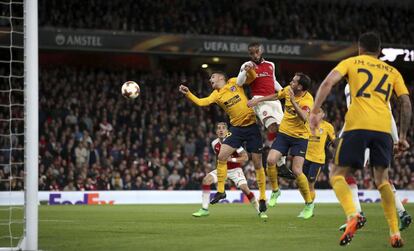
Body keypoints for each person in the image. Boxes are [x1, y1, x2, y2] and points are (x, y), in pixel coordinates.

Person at [309, 32, 412, 247]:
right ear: (380, 50)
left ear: (359, 48)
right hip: (384, 128)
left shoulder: (351, 62)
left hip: (357, 126)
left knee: (337, 174)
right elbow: (405, 103)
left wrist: (314, 111)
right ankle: (394, 232)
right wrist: (401, 136)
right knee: (382, 180)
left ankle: (353, 214)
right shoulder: (393, 71)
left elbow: (327, 83)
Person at [179, 71, 268, 217]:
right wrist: (188, 93)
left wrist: (249, 69)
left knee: (258, 164)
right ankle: (221, 191)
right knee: (221, 157)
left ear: (221, 77)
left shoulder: (234, 82)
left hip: (252, 126)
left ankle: (263, 197)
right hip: (236, 129)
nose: (210, 79)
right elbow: (202, 102)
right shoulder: (215, 94)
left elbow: (252, 78)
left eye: (212, 77)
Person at [338, 84, 412, 232]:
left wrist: (341, 136)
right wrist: (396, 140)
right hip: (382, 134)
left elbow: (353, 113)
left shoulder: (351, 85)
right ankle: (403, 214)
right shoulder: (381, 86)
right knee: (382, 178)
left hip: (362, 133)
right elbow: (389, 115)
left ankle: (357, 215)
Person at [248, 72, 315, 219]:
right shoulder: (288, 90)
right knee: (271, 161)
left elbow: (304, 117)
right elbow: (274, 96)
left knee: (297, 170)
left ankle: (309, 204)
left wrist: (293, 101)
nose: (291, 82)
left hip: (300, 137)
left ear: (301, 86)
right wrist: (257, 101)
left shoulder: (308, 100)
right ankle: (275, 191)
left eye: (294, 81)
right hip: (284, 134)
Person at [237, 42, 286, 206]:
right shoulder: (246, 65)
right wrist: (245, 70)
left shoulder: (271, 65)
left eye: (256, 52)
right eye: (251, 53)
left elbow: (274, 82)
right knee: (272, 127)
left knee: (285, 130)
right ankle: (279, 162)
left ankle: (281, 162)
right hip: (259, 101)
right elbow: (239, 83)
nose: (254, 55)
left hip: (274, 100)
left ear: (261, 51)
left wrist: (284, 92)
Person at [192, 122, 264, 218]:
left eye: (223, 128)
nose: (221, 130)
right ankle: (204, 209)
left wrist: (232, 159)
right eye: (218, 128)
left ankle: (260, 211)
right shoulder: (214, 143)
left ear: (227, 131)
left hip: (235, 170)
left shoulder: (234, 142)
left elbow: (245, 157)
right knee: (206, 180)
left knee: (245, 189)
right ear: (216, 132)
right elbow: (218, 158)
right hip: (222, 169)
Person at [298, 108, 335, 218]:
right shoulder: (307, 123)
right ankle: (308, 205)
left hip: (317, 159)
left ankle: (308, 207)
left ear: (323, 114)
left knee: (310, 184)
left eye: (318, 113)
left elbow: (334, 141)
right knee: (301, 183)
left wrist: (334, 151)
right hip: (305, 157)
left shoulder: (327, 126)